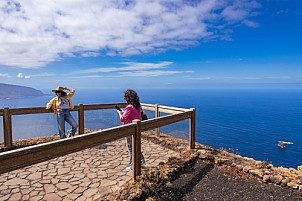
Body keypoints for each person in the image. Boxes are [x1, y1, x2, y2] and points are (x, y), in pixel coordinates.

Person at [117, 89, 146, 172]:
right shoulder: (138, 105)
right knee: (136, 146)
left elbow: (123, 119)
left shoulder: (129, 107)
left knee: (130, 148)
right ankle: (141, 162)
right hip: (137, 128)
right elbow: (136, 116)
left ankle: (132, 166)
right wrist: (124, 111)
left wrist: (120, 113)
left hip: (129, 129)